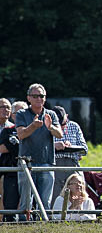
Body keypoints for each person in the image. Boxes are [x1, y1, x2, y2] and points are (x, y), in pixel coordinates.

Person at [15, 84, 62, 218]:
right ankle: (24, 227)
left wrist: (50, 126)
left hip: (46, 162)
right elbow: (21, 135)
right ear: (28, 98)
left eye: (41, 96)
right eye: (35, 96)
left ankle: (44, 228)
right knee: (26, 203)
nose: (39, 99)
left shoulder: (51, 114)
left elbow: (59, 134)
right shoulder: (21, 114)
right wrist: (33, 126)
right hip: (26, 163)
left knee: (45, 203)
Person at [51, 106, 88, 206]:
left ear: (66, 116)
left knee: (78, 191)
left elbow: (84, 149)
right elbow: (40, 148)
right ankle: (54, 217)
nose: (61, 127)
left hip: (72, 163)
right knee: (55, 193)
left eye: (63, 123)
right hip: (54, 164)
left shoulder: (74, 126)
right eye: (57, 124)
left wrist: (71, 147)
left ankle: (78, 213)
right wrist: (54, 146)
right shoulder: (47, 127)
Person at [0, 99, 24, 222]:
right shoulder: (9, 131)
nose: (6, 110)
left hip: (13, 169)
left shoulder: (12, 128)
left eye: (8, 107)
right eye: (3, 107)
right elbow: (3, 148)